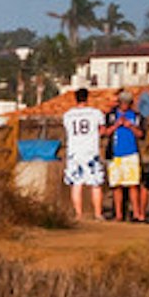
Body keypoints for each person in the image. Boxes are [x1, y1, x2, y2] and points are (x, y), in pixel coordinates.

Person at [61, 93, 106, 222]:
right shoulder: (96, 113)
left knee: (76, 183)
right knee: (96, 183)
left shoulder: (68, 115)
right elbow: (102, 130)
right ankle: (98, 213)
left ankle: (78, 214)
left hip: (74, 151)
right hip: (91, 151)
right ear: (87, 98)